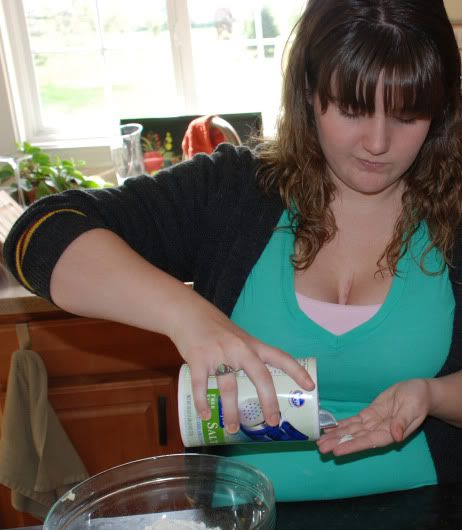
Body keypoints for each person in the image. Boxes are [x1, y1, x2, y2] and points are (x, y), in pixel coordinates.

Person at [4, 0, 462, 501]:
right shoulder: (235, 192)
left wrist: (434, 395)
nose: (377, 141)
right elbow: (38, 235)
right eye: (352, 108)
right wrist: (191, 318)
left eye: (407, 114)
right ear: (309, 92)